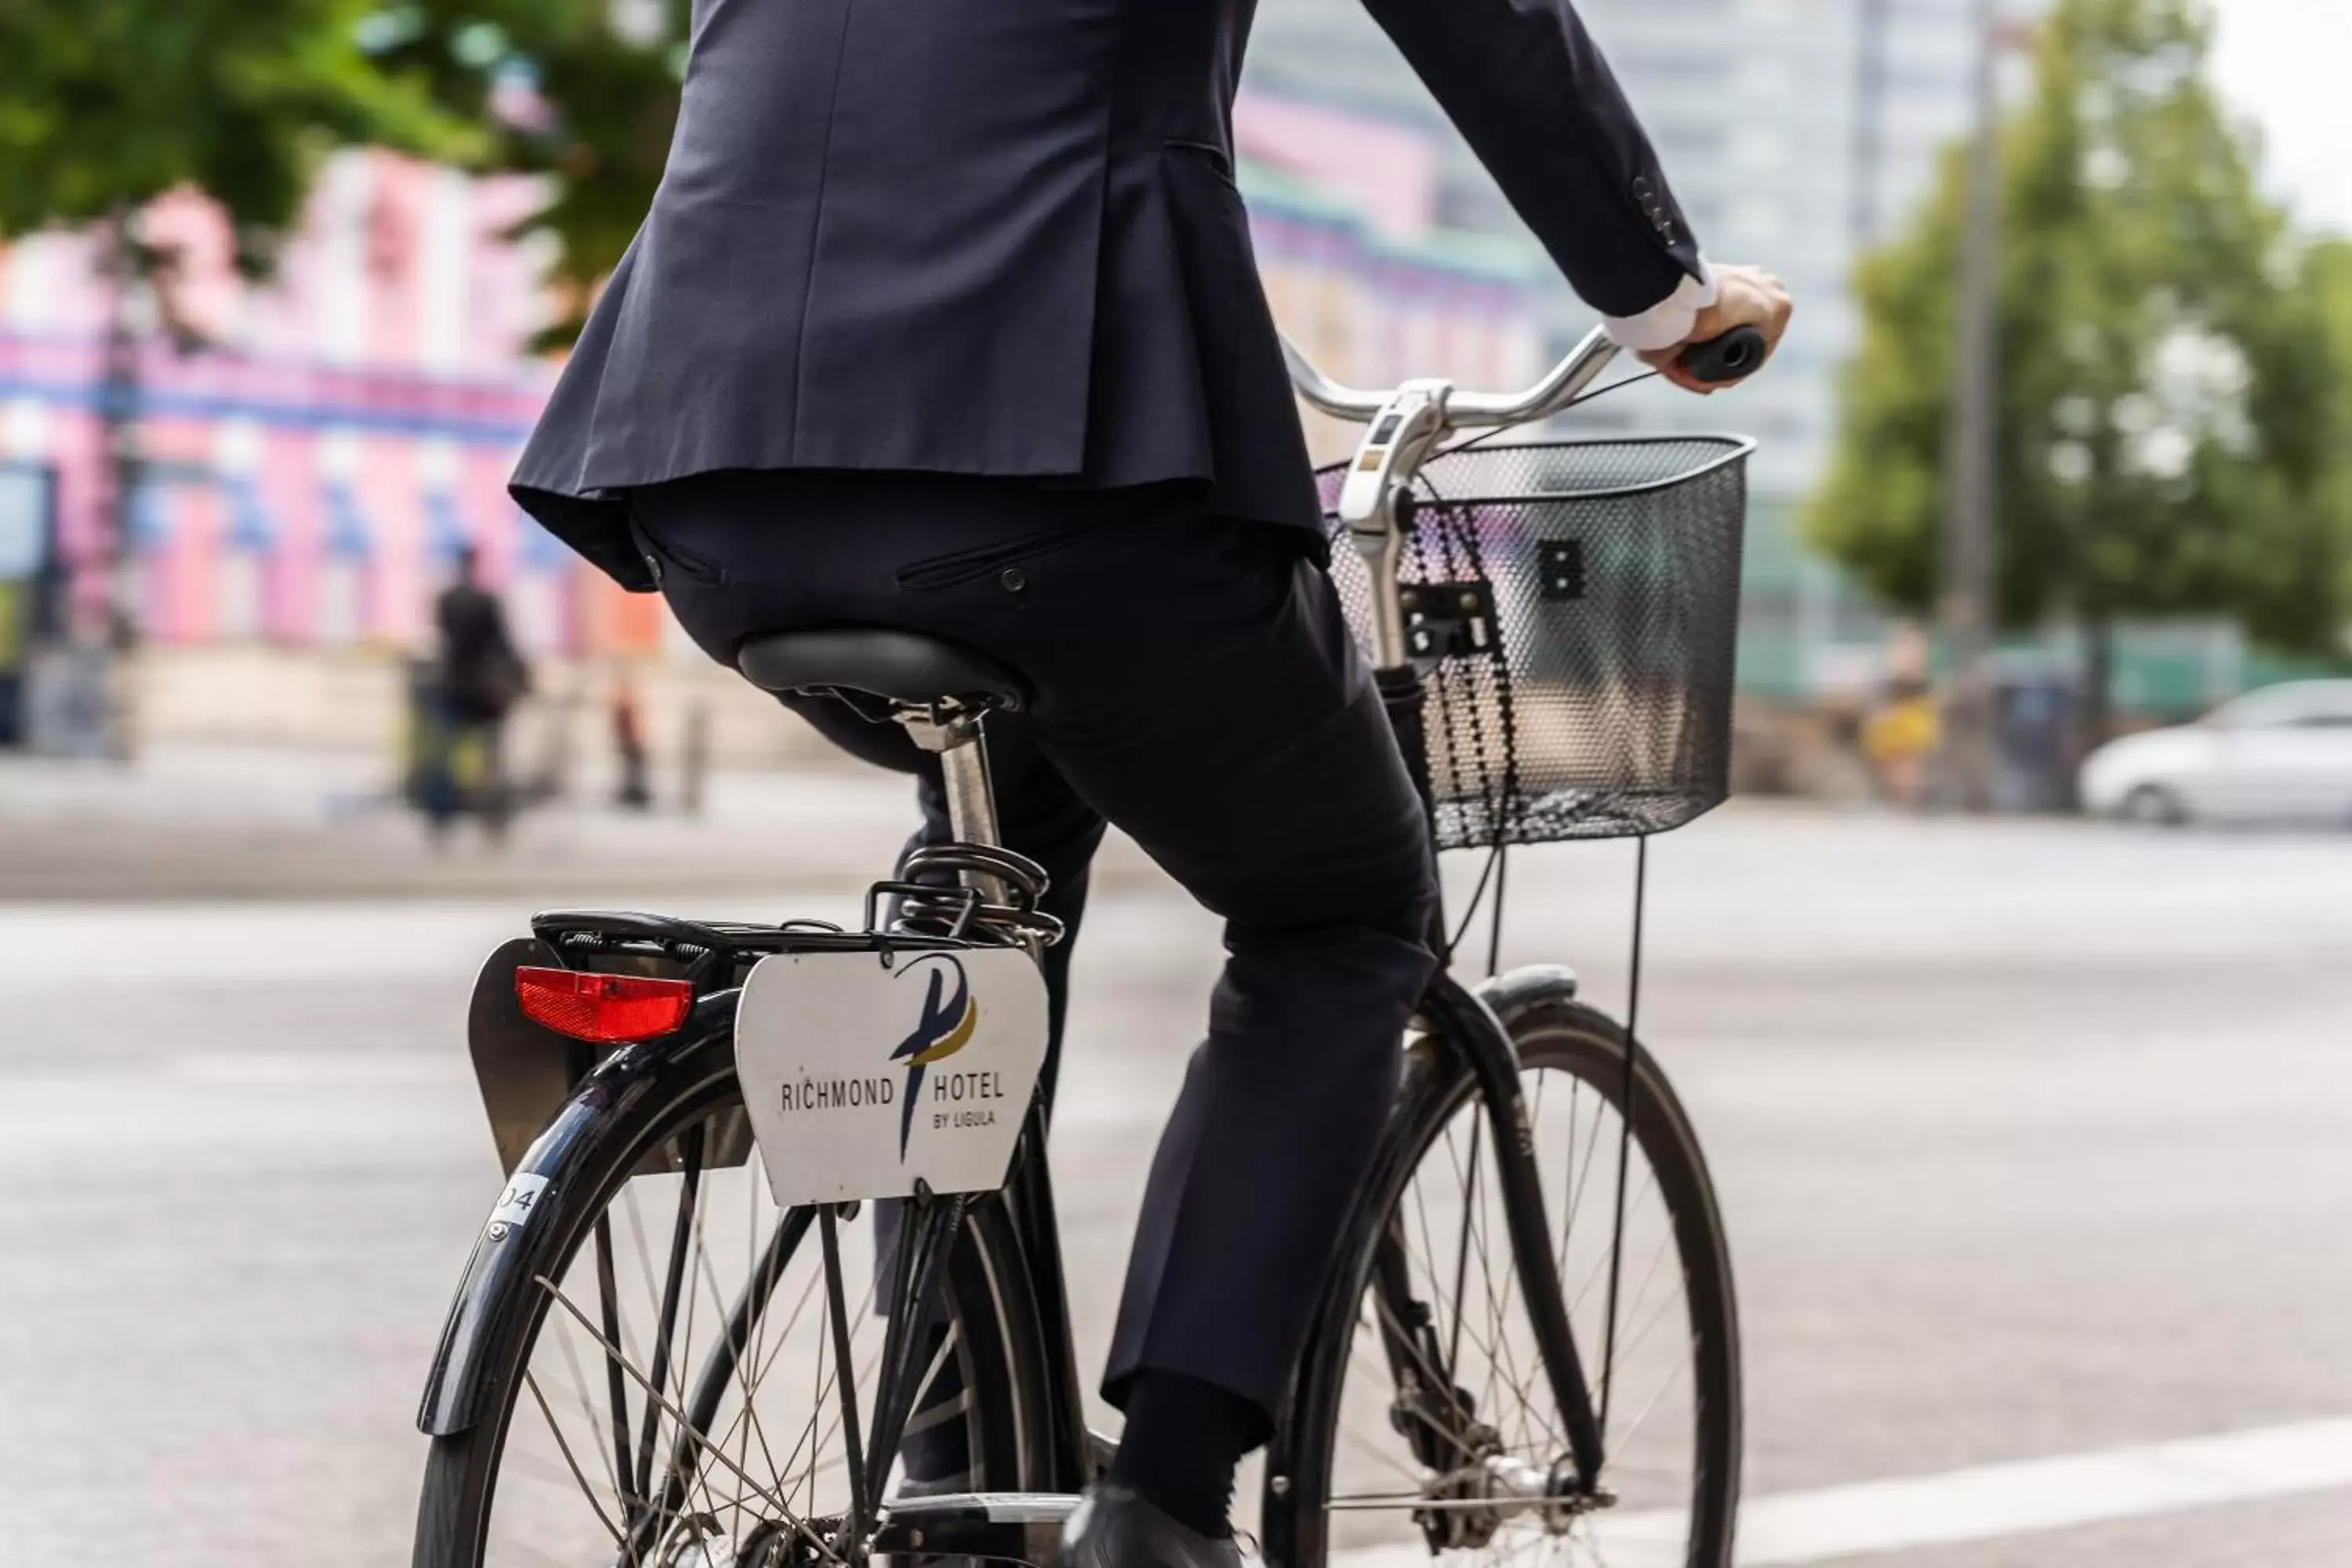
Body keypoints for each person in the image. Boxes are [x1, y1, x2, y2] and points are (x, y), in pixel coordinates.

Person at [506, 2, 1792, 1563]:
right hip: (1065, 470)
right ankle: (1165, 1502)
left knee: (989, 915)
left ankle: (955, 1475)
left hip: (708, 481)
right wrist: (1666, 299)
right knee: (1343, 912)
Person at [431, 545, 530, 837]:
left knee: (449, 752)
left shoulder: (446, 600)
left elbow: (444, 641)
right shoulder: (486, 601)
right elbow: (504, 644)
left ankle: (443, 814)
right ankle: (490, 815)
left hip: (452, 684)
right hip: (484, 690)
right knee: (490, 755)